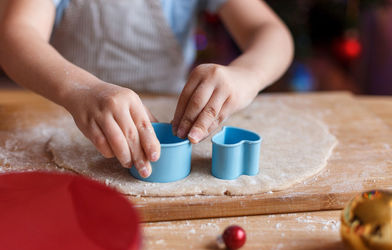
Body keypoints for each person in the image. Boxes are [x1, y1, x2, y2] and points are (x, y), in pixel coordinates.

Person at [0, 0, 293, 178]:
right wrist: (79, 89)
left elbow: (271, 32)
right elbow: (15, 35)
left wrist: (246, 75)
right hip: (69, 119)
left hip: (168, 115)